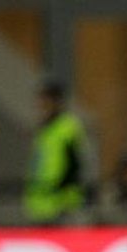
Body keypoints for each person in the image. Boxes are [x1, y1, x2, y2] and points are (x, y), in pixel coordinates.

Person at [24, 82, 88, 223]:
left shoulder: (68, 127)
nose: (41, 105)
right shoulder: (42, 129)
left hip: (61, 203)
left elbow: (75, 164)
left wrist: (59, 188)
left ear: (57, 101)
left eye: (45, 100)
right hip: (40, 203)